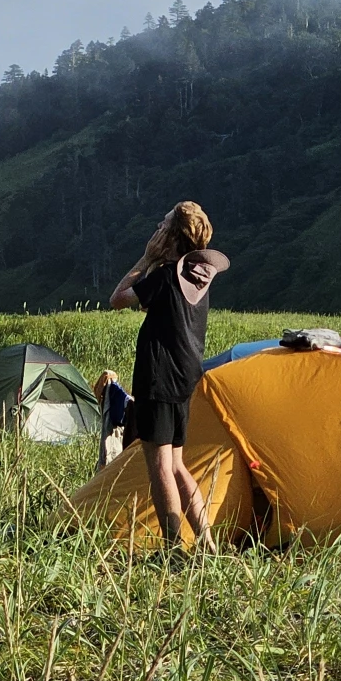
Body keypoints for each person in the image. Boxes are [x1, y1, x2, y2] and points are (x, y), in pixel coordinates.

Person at [109, 201, 229, 549]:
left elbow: (118, 299)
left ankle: (174, 548)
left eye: (161, 226)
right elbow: (150, 304)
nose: (156, 230)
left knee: (159, 465)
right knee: (177, 463)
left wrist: (146, 258)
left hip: (158, 376)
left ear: (171, 236)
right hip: (184, 378)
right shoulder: (197, 277)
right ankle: (207, 544)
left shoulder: (164, 276)